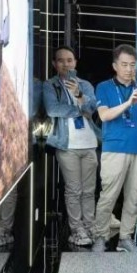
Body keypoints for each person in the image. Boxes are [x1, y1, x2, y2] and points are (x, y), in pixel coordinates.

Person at [92, 44, 137, 253]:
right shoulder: (104, 87)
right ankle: (100, 236)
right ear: (115, 66)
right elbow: (104, 115)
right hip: (115, 147)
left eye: (133, 65)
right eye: (124, 64)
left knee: (134, 196)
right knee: (108, 194)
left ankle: (126, 237)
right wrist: (129, 103)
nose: (129, 69)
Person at [42, 45, 100, 246]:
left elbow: (92, 108)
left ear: (75, 62)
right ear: (54, 64)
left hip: (89, 143)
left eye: (69, 60)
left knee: (89, 190)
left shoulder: (85, 84)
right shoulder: (50, 85)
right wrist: (79, 110)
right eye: (61, 60)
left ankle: (90, 225)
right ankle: (77, 230)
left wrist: (79, 95)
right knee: (74, 190)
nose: (66, 64)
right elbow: (52, 110)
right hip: (67, 145)